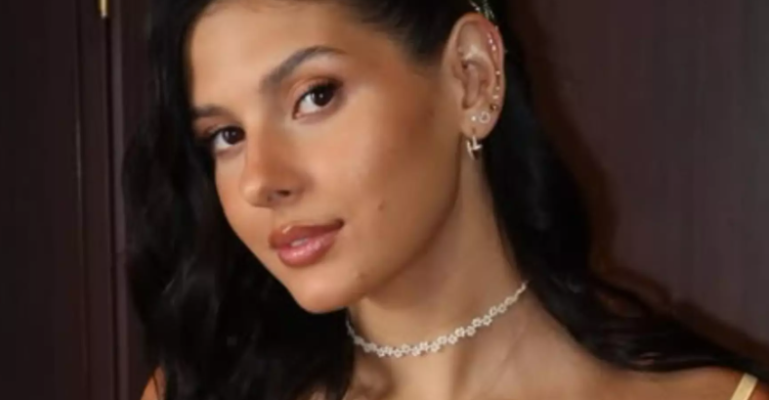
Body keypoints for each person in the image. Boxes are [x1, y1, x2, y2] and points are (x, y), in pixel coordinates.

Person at [123, 0, 769, 399]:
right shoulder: (202, 392)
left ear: (470, 77)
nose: (261, 180)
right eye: (226, 136)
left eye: (314, 96)